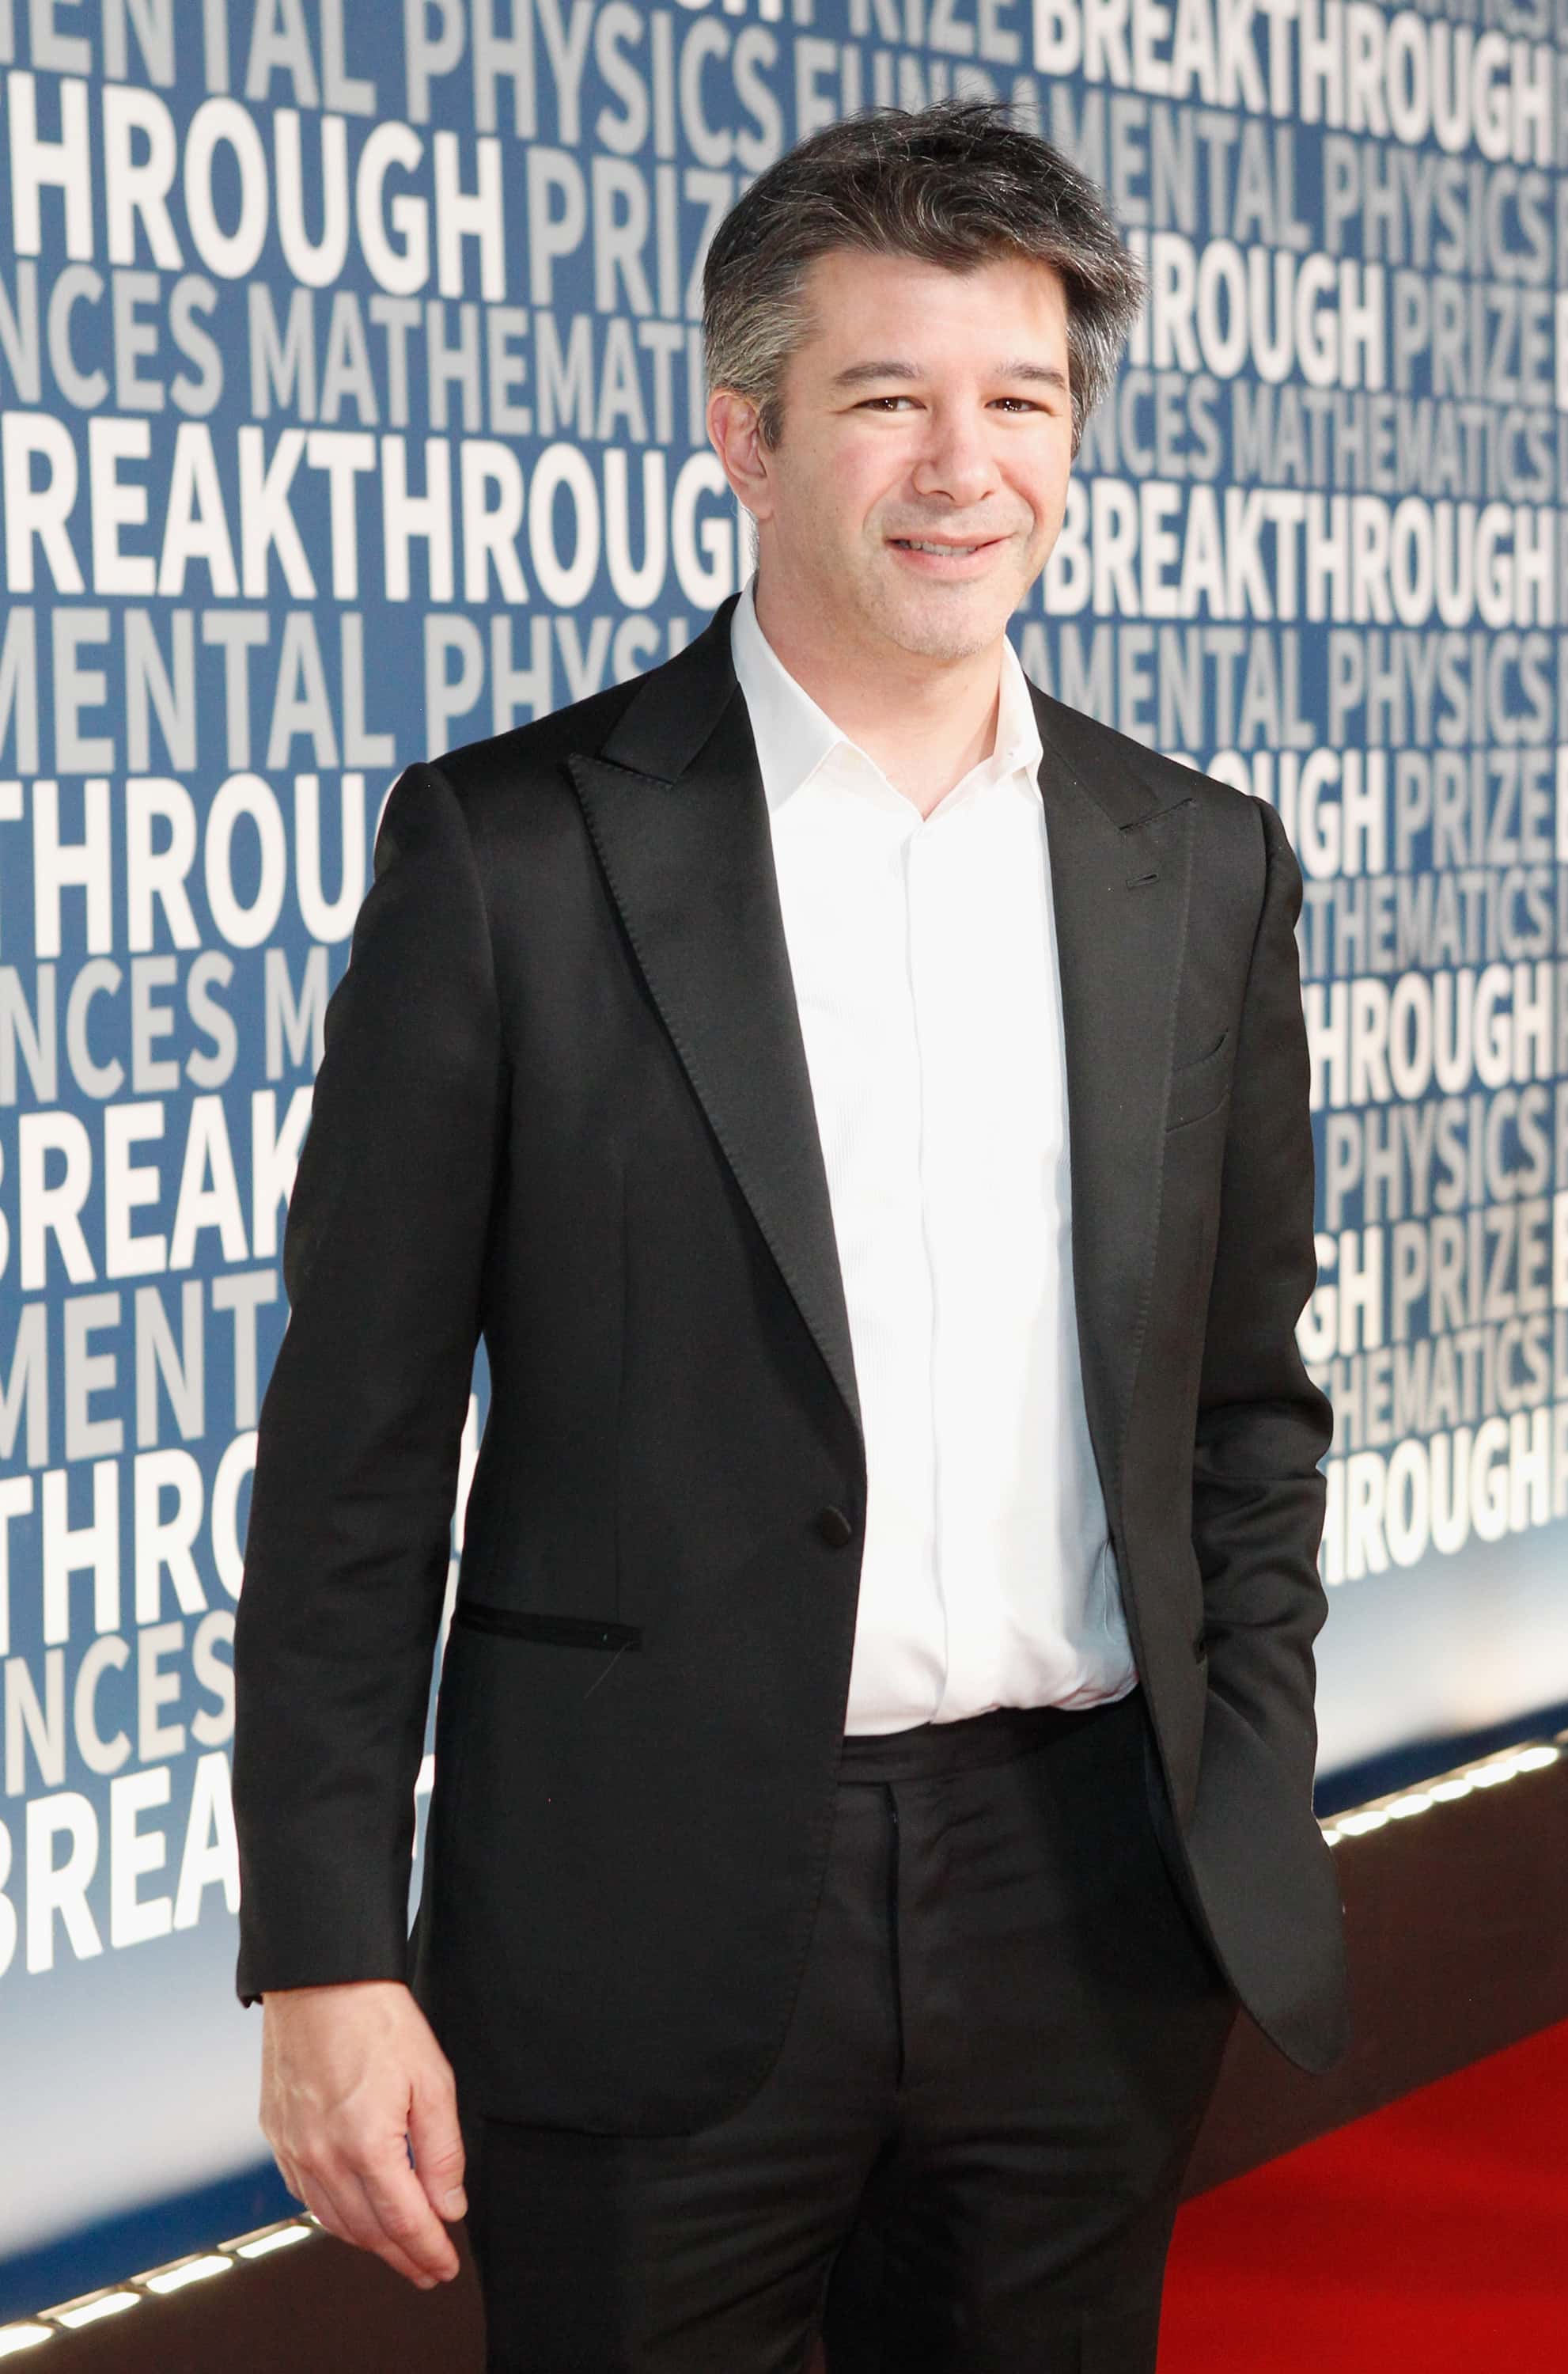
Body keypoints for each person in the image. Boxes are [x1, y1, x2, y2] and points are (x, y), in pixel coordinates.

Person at [233, 99, 1347, 2374]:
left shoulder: (1201, 866)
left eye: (1020, 402)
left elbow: (1249, 1409)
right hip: (641, 1931)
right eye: (887, 400)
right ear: (744, 434)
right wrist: (326, 1953)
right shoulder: (512, 857)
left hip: (1093, 1916)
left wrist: (1239, 1792)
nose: (966, 466)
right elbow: (351, 1455)